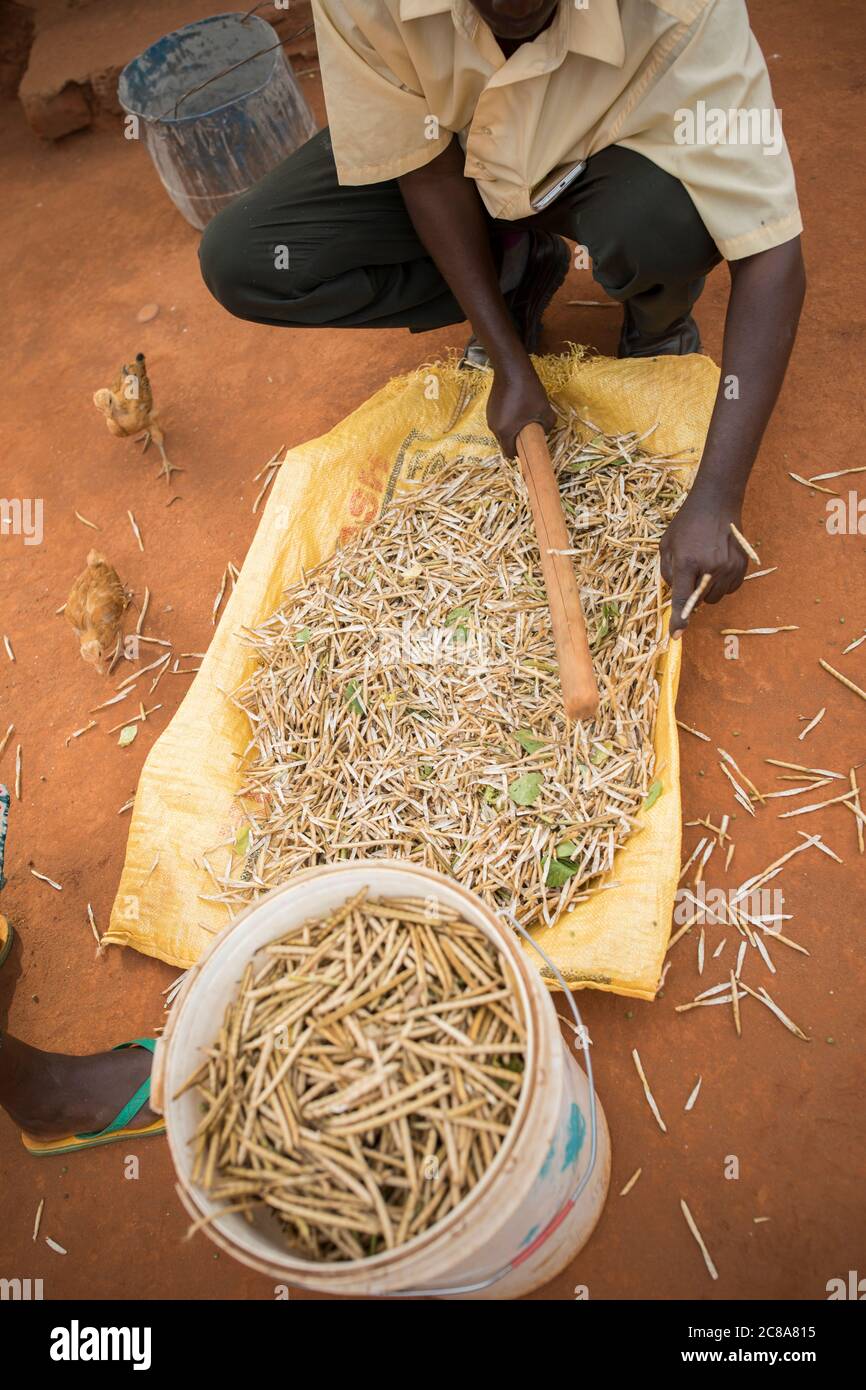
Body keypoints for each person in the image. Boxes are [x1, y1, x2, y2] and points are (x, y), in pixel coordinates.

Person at [198, 0, 805, 638]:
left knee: (664, 226)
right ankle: (516, 268)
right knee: (245, 258)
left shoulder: (686, 9)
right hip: (464, 155)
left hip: (604, 161)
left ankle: (658, 311)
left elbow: (769, 246)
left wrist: (716, 498)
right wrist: (508, 358)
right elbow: (421, 164)